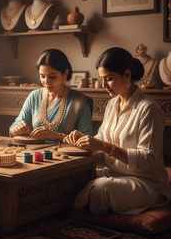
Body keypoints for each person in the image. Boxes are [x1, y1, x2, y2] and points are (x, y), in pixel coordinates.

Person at [64, 47, 171, 214]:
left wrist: (105, 147)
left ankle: (88, 228)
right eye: (102, 79)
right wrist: (84, 139)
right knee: (73, 179)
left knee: (101, 189)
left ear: (127, 75)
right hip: (113, 175)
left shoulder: (148, 109)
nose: (104, 85)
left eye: (109, 79)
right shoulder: (112, 104)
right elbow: (102, 138)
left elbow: (147, 159)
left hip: (145, 182)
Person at [9, 49, 94, 141]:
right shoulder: (34, 96)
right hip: (36, 153)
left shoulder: (80, 102)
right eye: (42, 76)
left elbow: (87, 140)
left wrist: (57, 136)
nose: (46, 82)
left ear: (65, 73)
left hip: (66, 155)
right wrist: (17, 129)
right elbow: (12, 129)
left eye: (52, 77)